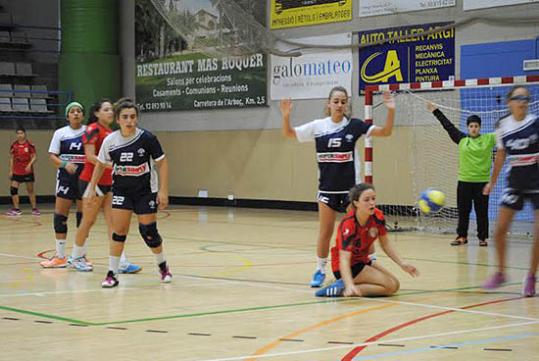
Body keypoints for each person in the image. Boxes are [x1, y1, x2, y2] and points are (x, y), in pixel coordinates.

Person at [280, 86, 395, 287]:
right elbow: (289, 133)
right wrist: (286, 116)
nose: (339, 105)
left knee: (363, 230)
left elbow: (385, 132)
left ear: (346, 104)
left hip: (351, 192)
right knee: (325, 232)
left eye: (343, 101)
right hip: (327, 190)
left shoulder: (355, 125)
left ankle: (371, 261)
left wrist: (391, 110)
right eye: (336, 101)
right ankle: (320, 269)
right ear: (329, 103)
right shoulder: (318, 127)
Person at [87, 98, 171, 288]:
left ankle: (163, 265)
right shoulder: (111, 141)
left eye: (133, 117)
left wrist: (163, 191)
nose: (129, 121)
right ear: (118, 119)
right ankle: (112, 273)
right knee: (119, 232)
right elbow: (100, 165)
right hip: (121, 191)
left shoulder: (147, 138)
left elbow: (162, 162)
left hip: (145, 191)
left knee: (149, 232)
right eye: (125, 117)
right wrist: (92, 188)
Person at [70, 99, 141, 274]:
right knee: (88, 220)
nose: (110, 112)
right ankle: (76, 256)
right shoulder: (92, 129)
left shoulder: (111, 132)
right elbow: (90, 157)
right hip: (91, 181)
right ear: (96, 113)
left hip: (109, 183)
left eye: (111, 109)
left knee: (114, 223)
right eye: (106, 109)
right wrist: (114, 166)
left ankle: (120, 261)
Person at [482, 85, 539, 297]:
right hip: (514, 183)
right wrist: (491, 183)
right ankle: (501, 273)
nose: (523, 100)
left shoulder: (535, 123)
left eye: (526, 97)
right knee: (499, 231)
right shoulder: (502, 125)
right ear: (510, 102)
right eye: (519, 97)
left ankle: (531, 276)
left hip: (537, 183)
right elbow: (500, 156)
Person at [316, 183, 419, 297]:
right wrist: (349, 283)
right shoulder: (349, 224)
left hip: (363, 261)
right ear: (356, 203)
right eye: (366, 200)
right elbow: (344, 259)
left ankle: (343, 285)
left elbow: (385, 244)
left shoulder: (377, 216)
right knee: (389, 286)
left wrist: (402, 263)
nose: (372, 203)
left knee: (395, 284)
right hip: (346, 266)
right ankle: (344, 287)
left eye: (373, 199)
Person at [427, 102, 496, 246]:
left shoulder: (489, 139)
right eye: (471, 126)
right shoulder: (462, 139)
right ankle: (461, 236)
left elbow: (506, 133)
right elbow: (448, 126)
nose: (474, 128)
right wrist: (435, 111)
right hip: (464, 182)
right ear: (468, 127)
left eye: (476, 126)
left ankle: (482, 238)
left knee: (481, 212)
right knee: (463, 211)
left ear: (480, 127)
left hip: (482, 183)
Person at [40, 102, 86, 268]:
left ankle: (81, 256)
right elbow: (52, 156)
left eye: (79, 111)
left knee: (83, 217)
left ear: (83, 115)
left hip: (84, 179)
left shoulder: (89, 132)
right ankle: (60, 256)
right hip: (66, 179)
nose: (75, 114)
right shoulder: (60, 133)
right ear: (67, 116)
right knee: (60, 216)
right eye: (72, 111)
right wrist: (65, 164)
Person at [6, 126, 39, 216]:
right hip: (17, 171)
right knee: (13, 189)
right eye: (18, 133)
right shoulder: (14, 145)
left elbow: (34, 156)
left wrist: (29, 164)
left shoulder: (29, 145)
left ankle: (34, 209)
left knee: (30, 190)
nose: (20, 135)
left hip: (27, 171)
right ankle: (16, 209)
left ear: (25, 134)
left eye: (21, 133)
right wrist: (11, 170)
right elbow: (11, 158)